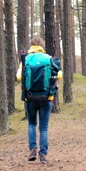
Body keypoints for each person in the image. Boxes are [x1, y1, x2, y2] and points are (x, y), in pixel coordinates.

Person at [16, 36, 62, 164]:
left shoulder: (25, 59)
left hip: (29, 97)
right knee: (44, 128)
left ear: (31, 45)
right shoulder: (48, 58)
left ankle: (32, 149)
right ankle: (43, 154)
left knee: (31, 124)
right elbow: (59, 74)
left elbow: (19, 77)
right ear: (42, 45)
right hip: (47, 97)